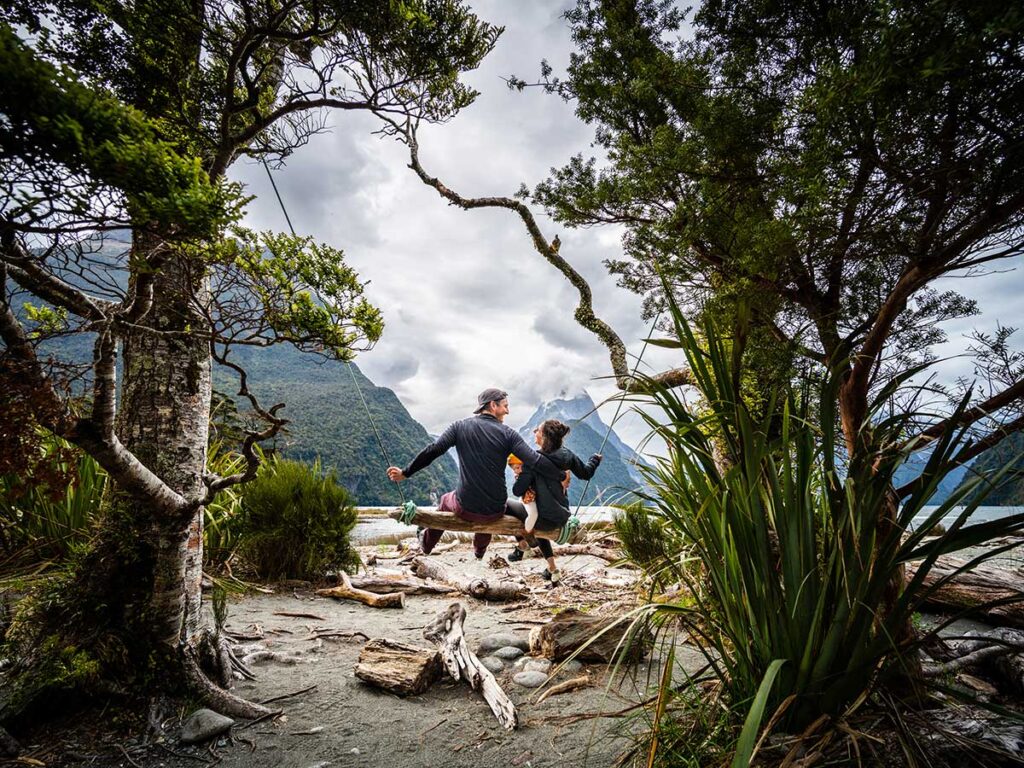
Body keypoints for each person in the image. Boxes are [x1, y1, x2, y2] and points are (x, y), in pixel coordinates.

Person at [386, 388, 565, 559]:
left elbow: (433, 450)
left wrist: (405, 473)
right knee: (492, 506)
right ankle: (479, 551)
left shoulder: (459, 427)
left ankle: (426, 545)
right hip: (496, 509)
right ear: (493, 405)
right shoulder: (508, 434)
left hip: (466, 507)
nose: (508, 411)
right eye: (505, 406)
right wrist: (560, 476)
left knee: (444, 500)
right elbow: (535, 460)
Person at [508, 419, 602, 586]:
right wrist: (594, 459)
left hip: (542, 520)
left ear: (544, 437)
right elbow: (586, 473)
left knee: (506, 504)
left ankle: (523, 544)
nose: (534, 431)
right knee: (537, 512)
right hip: (561, 517)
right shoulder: (568, 455)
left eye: (537, 430)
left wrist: (521, 474)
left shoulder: (533, 460)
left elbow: (517, 491)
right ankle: (551, 568)